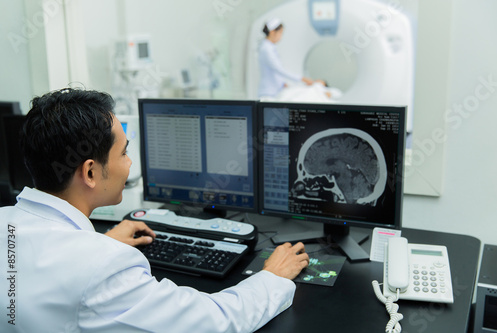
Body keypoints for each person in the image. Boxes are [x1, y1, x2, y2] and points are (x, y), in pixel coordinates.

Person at [0, 88, 309, 332]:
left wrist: (101, 243)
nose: (130, 163)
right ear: (90, 173)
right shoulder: (103, 267)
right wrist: (272, 277)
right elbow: (216, 322)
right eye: (123, 152)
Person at [258, 18, 321, 98]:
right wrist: (302, 78)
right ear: (272, 32)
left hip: (275, 91)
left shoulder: (269, 47)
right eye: (280, 33)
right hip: (268, 93)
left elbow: (274, 71)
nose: (281, 36)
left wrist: (282, 83)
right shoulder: (266, 49)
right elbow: (279, 69)